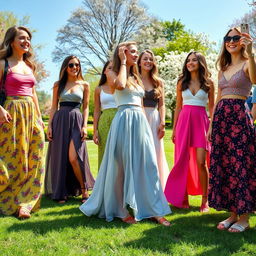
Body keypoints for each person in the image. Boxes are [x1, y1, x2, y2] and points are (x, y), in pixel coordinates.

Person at [80, 41, 171, 226]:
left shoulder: (136, 76)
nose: (136, 55)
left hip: (140, 121)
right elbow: (120, 86)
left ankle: (154, 210)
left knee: (148, 165)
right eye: (133, 52)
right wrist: (122, 62)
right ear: (123, 53)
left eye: (137, 52)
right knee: (120, 166)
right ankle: (120, 210)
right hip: (123, 119)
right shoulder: (112, 72)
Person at [207, 27, 256, 232]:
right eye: (228, 38)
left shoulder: (247, 63)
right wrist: (211, 125)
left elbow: (255, 80)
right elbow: (218, 97)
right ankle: (233, 214)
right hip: (221, 120)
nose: (232, 41)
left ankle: (244, 218)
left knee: (240, 165)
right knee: (225, 165)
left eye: (236, 38)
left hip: (238, 118)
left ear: (242, 41)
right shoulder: (222, 68)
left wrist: (252, 52)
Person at [0, 26, 45, 218]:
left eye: (28, 39)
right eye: (22, 38)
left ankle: (25, 203)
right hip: (10, 112)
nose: (26, 41)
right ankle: (6, 198)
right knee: (10, 158)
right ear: (11, 41)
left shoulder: (30, 66)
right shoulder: (3, 64)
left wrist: (39, 118)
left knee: (34, 158)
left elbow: (33, 93)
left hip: (31, 114)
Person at [164, 52, 214, 213]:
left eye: (194, 60)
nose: (190, 63)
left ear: (201, 63)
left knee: (201, 162)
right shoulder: (181, 82)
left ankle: (204, 200)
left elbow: (212, 107)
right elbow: (178, 106)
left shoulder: (209, 83)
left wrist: (212, 127)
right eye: (188, 60)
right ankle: (182, 196)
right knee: (182, 160)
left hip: (201, 123)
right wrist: (175, 129)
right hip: (184, 122)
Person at [45, 55, 95, 203]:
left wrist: (85, 126)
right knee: (61, 157)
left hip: (76, 120)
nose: (75, 68)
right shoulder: (58, 84)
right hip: (60, 120)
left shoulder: (84, 85)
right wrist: (49, 126)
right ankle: (62, 191)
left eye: (77, 65)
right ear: (65, 67)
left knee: (74, 157)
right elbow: (54, 107)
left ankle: (84, 189)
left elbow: (86, 107)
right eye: (71, 65)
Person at [138, 50, 169, 189]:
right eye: (145, 59)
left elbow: (162, 104)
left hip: (155, 119)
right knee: (142, 153)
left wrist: (162, 122)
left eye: (151, 59)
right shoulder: (134, 79)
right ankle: (142, 187)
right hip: (139, 118)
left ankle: (157, 188)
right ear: (139, 62)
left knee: (156, 153)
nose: (148, 61)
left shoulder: (158, 82)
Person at [93, 61, 117, 169]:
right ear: (105, 71)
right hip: (104, 122)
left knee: (118, 152)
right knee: (105, 152)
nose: (112, 70)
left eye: (115, 68)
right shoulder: (99, 89)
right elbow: (97, 110)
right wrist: (95, 131)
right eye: (110, 68)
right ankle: (104, 183)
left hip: (119, 119)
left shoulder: (121, 87)